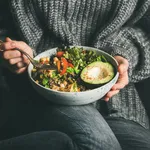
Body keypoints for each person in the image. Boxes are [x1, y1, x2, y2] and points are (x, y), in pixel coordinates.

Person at [0, 0, 150, 149]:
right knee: (99, 145)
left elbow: (146, 29)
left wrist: (125, 55)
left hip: (118, 102)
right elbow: (4, 26)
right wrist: (12, 50)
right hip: (46, 94)